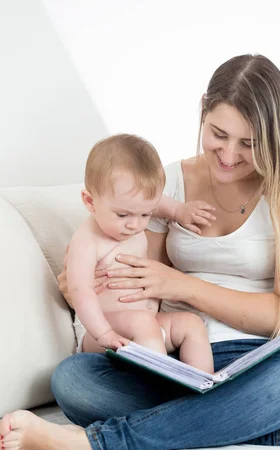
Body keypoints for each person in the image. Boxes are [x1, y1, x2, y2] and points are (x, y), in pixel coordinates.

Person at [0, 54, 280, 450]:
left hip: (254, 362)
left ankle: (98, 443)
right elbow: (142, 284)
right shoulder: (167, 183)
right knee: (73, 380)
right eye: (218, 134)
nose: (228, 154)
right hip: (169, 361)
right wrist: (90, 285)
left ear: (274, 137)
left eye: (249, 143)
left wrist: (184, 285)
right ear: (203, 110)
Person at [67, 133, 213, 375]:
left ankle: (204, 385)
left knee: (192, 324)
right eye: (123, 215)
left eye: (145, 214)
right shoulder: (87, 241)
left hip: (148, 329)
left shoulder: (136, 211)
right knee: (142, 323)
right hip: (101, 331)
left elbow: (158, 204)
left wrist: (179, 211)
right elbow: (80, 291)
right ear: (90, 201)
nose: (135, 224)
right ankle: (160, 384)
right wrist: (104, 333)